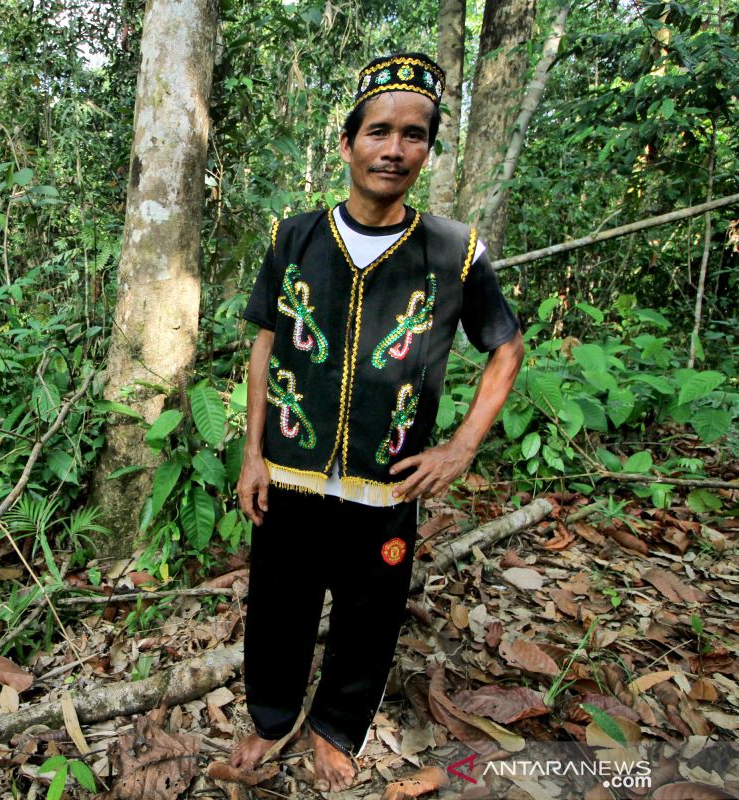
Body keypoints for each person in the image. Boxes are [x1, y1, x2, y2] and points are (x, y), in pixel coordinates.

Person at [229, 53, 525, 792]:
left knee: (370, 613)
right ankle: (270, 721)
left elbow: (506, 349)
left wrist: (459, 449)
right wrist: (252, 454)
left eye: (415, 135)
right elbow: (266, 345)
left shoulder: (454, 252)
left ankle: (336, 729)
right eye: (380, 131)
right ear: (348, 142)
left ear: (427, 148)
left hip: (385, 484)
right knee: (277, 605)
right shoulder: (294, 237)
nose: (395, 149)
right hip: (290, 473)